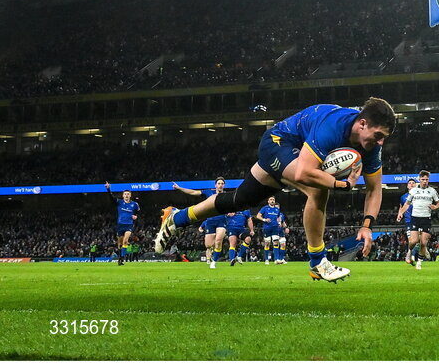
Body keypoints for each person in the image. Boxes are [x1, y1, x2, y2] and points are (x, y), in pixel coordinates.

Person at [155, 98, 396, 283]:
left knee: (239, 200)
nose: (380, 142)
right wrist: (341, 184)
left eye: (384, 138)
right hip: (278, 143)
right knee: (318, 190)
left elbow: (375, 190)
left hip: (295, 151)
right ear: (362, 123)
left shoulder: (372, 147)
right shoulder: (332, 126)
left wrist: (367, 226)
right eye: (378, 135)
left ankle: (177, 217)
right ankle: (317, 262)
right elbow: (303, 173)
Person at [173, 177, 229, 269]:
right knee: (209, 245)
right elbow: (193, 192)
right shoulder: (209, 193)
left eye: (222, 183)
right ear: (215, 185)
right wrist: (180, 188)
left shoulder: (226, 196)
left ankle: (214, 262)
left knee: (218, 241)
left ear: (224, 185)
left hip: (221, 221)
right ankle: (210, 257)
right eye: (218, 183)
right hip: (210, 221)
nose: (220, 185)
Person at [396, 170, 439, 270]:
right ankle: (409, 251)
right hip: (415, 218)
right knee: (413, 241)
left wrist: (435, 207)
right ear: (419, 179)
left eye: (426, 179)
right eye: (423, 179)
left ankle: (419, 262)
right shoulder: (413, 191)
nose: (425, 181)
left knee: (424, 242)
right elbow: (406, 204)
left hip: (426, 218)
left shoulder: (432, 191)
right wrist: (401, 213)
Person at [105, 182, 139, 266]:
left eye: (128, 194)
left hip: (129, 225)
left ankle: (121, 258)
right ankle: (120, 257)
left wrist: (135, 216)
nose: (126, 195)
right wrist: (108, 189)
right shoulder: (119, 202)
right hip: (120, 224)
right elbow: (111, 198)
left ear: (130, 195)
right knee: (119, 244)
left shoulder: (134, 204)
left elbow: (137, 212)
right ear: (123, 195)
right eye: (125, 194)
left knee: (125, 241)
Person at [256, 196, 285, 264]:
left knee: (276, 242)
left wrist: (279, 223)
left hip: (275, 227)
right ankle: (266, 259)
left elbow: (278, 217)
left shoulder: (277, 209)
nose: (272, 201)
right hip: (267, 228)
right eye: (271, 199)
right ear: (268, 201)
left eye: (273, 200)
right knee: (267, 242)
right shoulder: (265, 208)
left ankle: (276, 259)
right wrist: (264, 219)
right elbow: (258, 216)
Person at [399, 179, 416, 264]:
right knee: (411, 240)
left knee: (417, 240)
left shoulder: (419, 195)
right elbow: (401, 207)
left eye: (413, 183)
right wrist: (400, 214)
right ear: (407, 186)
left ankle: (409, 254)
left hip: (418, 219)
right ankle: (411, 256)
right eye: (410, 183)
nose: (412, 184)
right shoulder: (403, 197)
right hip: (409, 220)